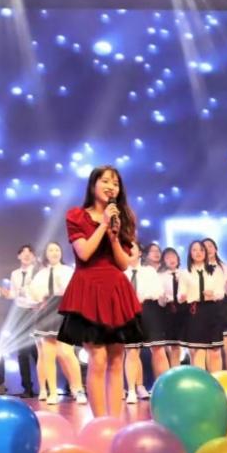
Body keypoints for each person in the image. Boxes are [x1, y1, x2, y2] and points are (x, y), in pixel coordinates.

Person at [57, 166, 143, 418]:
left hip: (116, 291)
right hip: (89, 290)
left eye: (115, 183)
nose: (111, 187)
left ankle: (114, 422)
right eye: (105, 181)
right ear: (93, 185)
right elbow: (84, 253)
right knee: (98, 358)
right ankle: (100, 423)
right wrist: (103, 224)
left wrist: (114, 237)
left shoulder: (124, 217)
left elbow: (124, 264)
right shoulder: (76, 216)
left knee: (117, 358)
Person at [26, 242, 86, 406]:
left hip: (64, 309)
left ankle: (78, 389)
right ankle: (52, 392)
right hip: (46, 311)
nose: (54, 253)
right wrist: (38, 300)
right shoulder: (41, 274)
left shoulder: (68, 271)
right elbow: (32, 294)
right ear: (46, 254)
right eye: (51, 250)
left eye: (57, 250)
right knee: (48, 353)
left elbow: (77, 291)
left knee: (66, 352)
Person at [125, 242, 166, 404]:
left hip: (148, 309)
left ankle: (164, 387)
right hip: (128, 311)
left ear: (140, 253)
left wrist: (140, 297)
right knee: (132, 350)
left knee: (158, 349)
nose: (129, 251)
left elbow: (157, 291)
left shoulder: (149, 271)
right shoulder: (121, 272)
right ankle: (132, 389)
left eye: (132, 248)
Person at [180, 241, 227, 370]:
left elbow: (221, 292)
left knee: (215, 350)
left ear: (205, 252)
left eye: (201, 250)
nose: (198, 253)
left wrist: (213, 294)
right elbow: (181, 293)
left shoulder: (215, 270)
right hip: (195, 311)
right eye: (194, 250)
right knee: (198, 350)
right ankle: (200, 379)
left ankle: (216, 379)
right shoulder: (185, 272)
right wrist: (181, 297)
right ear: (190, 253)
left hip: (213, 310)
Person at [2, 245, 41, 398]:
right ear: (18, 256)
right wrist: (7, 294)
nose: (26, 255)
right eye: (23, 252)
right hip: (20, 312)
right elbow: (14, 293)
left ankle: (45, 387)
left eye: (29, 252)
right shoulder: (15, 274)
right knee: (22, 352)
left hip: (35, 311)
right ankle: (27, 388)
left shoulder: (39, 272)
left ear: (33, 256)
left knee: (38, 350)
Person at [203, 238, 227, 372]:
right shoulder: (197, 268)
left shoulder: (224, 267)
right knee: (212, 349)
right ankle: (213, 379)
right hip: (206, 308)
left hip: (224, 307)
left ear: (216, 248)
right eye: (205, 247)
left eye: (210, 246)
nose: (208, 249)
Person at [157, 246, 186, 371]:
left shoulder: (185, 274)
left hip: (186, 309)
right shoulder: (160, 276)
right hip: (169, 310)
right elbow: (160, 301)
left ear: (178, 258)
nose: (171, 259)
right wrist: (163, 298)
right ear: (164, 261)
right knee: (174, 345)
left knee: (190, 344)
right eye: (167, 257)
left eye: (173, 256)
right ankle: (175, 372)